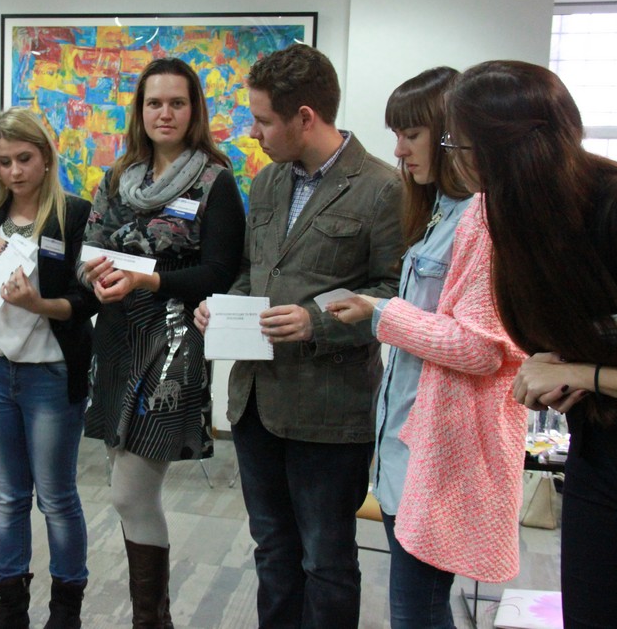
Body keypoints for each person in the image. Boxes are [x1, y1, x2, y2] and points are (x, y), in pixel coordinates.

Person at [194, 44, 403, 629]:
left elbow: (394, 294)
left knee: (326, 561)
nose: (252, 132)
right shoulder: (266, 183)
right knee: (272, 550)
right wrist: (223, 307)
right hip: (255, 402)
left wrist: (317, 319)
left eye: (263, 120)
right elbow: (251, 270)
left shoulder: (382, 189)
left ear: (305, 117)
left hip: (330, 410)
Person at [325, 67, 527, 628]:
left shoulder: (483, 219)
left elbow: (481, 349)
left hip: (440, 450)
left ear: (450, 134)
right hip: (407, 439)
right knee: (416, 608)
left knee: (418, 613)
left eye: (411, 135)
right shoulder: (438, 210)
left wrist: (380, 312)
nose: (399, 150)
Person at [446, 60, 617, 629]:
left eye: (458, 144)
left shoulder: (615, 208)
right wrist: (561, 362)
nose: (453, 157)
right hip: (600, 450)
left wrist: (583, 374)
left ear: (500, 150)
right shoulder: (520, 215)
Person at [80, 57, 245, 627]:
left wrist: (148, 279)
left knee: (130, 492)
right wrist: (94, 277)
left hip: (173, 340)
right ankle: (152, 618)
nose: (165, 113)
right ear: (140, 110)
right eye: (155, 103)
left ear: (194, 110)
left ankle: (151, 619)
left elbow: (220, 271)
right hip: (116, 336)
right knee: (125, 483)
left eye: (177, 103)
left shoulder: (215, 182)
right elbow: (89, 249)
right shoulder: (116, 178)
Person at [0, 107, 97, 629]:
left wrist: (38, 304)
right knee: (8, 496)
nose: (14, 171)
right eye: (4, 162)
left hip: (50, 374)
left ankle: (65, 610)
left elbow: (87, 301)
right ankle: (11, 606)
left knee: (56, 498)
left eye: (24, 159)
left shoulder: (74, 215)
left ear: (45, 158)